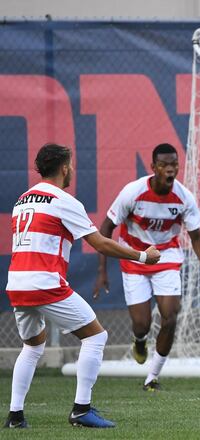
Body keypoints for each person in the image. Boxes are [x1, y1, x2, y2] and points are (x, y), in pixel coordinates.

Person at [4, 144, 161, 429]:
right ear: (65, 168)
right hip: (44, 283)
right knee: (95, 337)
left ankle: (15, 416)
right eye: (71, 164)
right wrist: (142, 256)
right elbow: (100, 242)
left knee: (32, 346)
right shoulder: (64, 200)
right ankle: (81, 410)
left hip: (16, 283)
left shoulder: (22, 200)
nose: (73, 169)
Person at [93, 143, 200, 391]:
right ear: (153, 168)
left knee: (170, 316)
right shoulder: (133, 192)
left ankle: (152, 377)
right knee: (141, 324)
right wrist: (102, 271)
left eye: (174, 164)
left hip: (166, 258)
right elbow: (106, 227)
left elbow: (196, 237)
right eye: (164, 165)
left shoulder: (184, 198)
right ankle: (139, 340)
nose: (170, 169)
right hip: (135, 258)